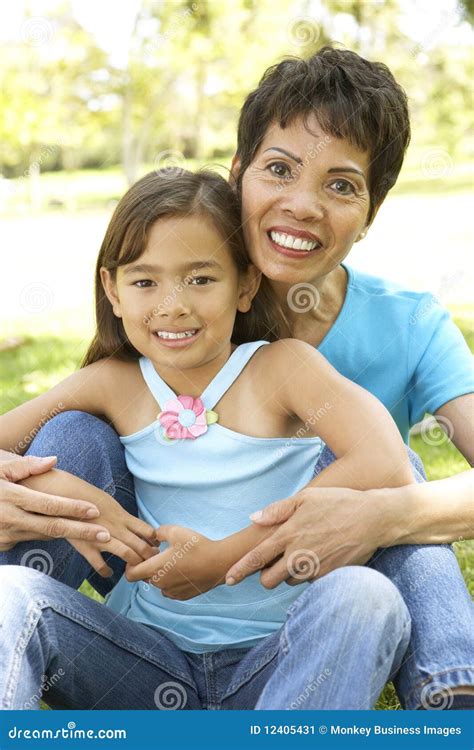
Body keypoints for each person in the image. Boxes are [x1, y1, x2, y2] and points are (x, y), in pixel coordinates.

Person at [1, 46, 473, 709]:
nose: (303, 204)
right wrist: (50, 492)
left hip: (285, 635)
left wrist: (386, 513)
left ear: (371, 213)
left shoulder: (380, 335)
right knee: (66, 441)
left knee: (394, 511)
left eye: (341, 184)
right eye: (280, 170)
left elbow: (385, 461)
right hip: (151, 648)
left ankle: (452, 688)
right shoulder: (125, 374)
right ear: (238, 175)